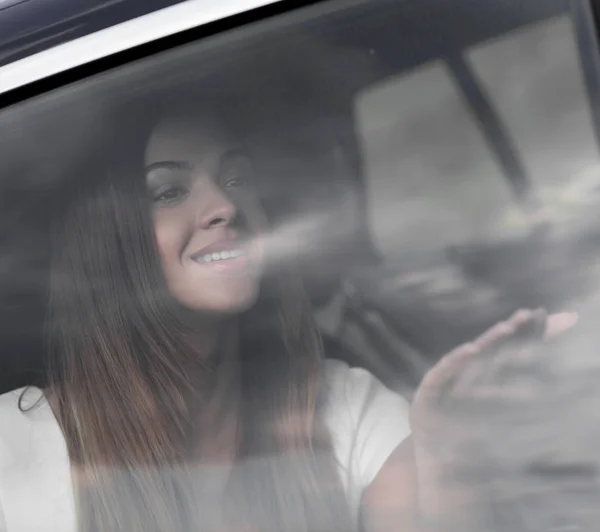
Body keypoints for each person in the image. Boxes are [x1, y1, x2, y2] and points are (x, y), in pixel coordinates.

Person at [0, 102, 417, 532]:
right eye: (169, 192)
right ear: (110, 241)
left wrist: (456, 470)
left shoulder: (345, 407)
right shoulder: (10, 452)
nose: (224, 206)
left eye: (237, 179)